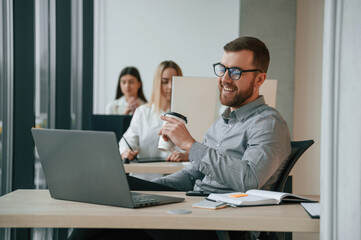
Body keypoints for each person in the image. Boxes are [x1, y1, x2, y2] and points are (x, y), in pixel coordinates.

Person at [69, 37, 291, 240]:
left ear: (259, 79)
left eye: (235, 72)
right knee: (108, 195)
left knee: (109, 228)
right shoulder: (222, 122)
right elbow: (192, 174)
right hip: (196, 206)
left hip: (221, 225)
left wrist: (190, 144)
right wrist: (149, 191)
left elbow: (250, 179)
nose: (224, 79)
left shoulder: (268, 123)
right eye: (222, 69)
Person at [118, 60, 189, 180]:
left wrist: (187, 155)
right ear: (157, 83)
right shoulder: (142, 112)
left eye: (174, 81)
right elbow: (126, 142)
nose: (170, 87)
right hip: (144, 179)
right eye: (164, 82)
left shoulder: (188, 113)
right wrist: (126, 152)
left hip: (176, 181)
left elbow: (200, 148)